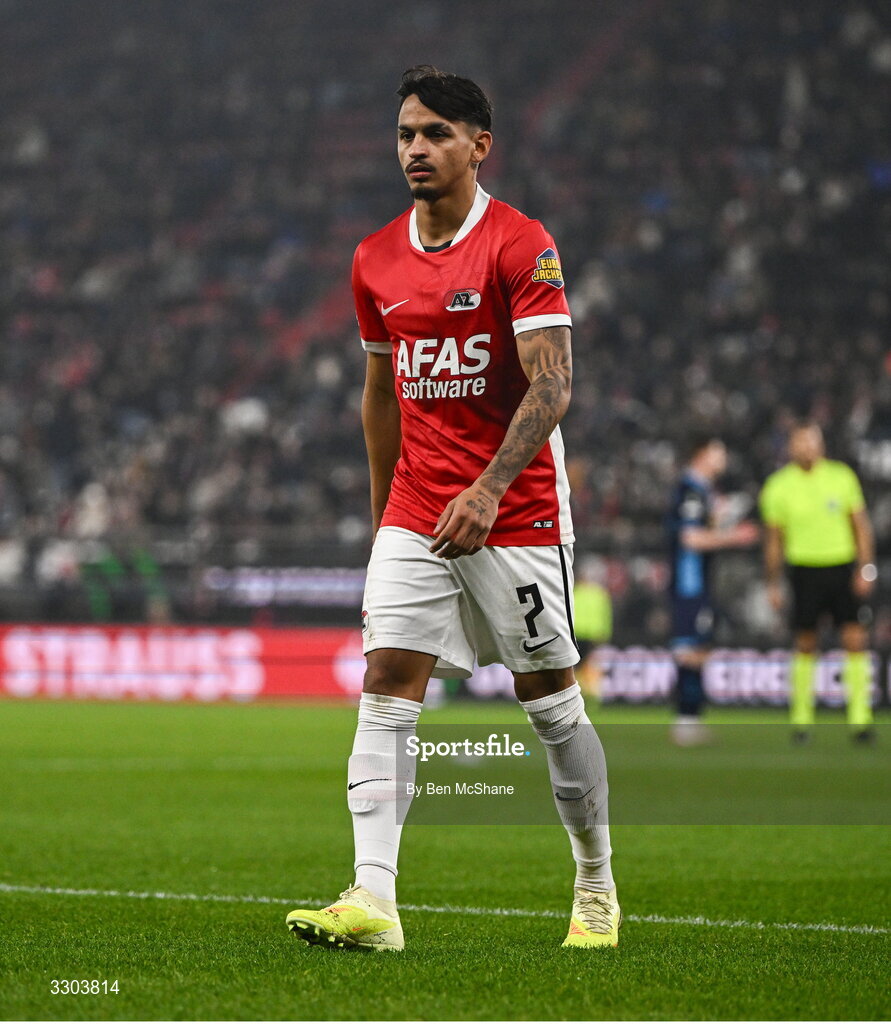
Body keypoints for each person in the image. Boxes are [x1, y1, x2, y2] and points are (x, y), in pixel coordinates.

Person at [286, 66, 619, 951]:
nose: (415, 149)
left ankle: (594, 883)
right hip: (417, 507)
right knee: (386, 686)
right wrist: (383, 515)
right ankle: (374, 900)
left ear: (479, 144)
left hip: (516, 511)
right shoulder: (374, 258)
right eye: (404, 134)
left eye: (434, 133)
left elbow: (553, 386)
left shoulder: (520, 244)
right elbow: (381, 396)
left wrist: (487, 486)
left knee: (548, 699)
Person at [759, 422, 876, 743]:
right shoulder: (778, 486)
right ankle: (801, 721)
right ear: (791, 447)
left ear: (821, 444)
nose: (807, 447)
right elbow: (774, 541)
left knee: (854, 640)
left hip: (841, 566)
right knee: (806, 643)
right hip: (803, 569)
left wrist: (866, 569)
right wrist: (773, 582)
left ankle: (860, 720)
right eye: (801, 442)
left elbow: (860, 527)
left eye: (812, 441)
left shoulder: (841, 477)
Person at [666, 436, 759, 745]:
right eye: (719, 451)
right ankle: (686, 720)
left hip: (699, 580)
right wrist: (735, 536)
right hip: (689, 580)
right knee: (690, 649)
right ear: (701, 454)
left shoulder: (702, 491)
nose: (724, 458)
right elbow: (690, 538)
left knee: (699, 647)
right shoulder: (691, 490)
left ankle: (690, 719)